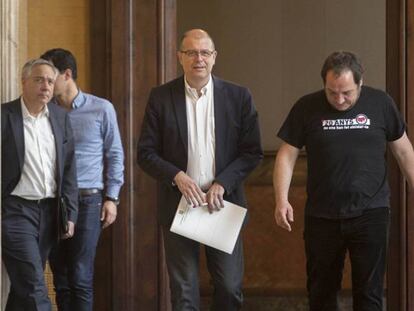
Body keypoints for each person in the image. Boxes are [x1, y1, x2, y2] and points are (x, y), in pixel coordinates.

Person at [273, 51, 414, 310]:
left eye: (347, 92)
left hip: (371, 213)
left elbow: (404, 151)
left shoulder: (380, 103)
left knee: (369, 293)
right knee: (321, 291)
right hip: (322, 215)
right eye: (332, 92)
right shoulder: (307, 106)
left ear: (360, 83)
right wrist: (281, 200)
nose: (339, 99)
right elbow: (286, 155)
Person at [137, 29, 263, 310]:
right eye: (191, 52)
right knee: (184, 293)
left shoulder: (238, 96)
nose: (199, 59)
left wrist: (223, 183)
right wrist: (177, 176)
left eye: (205, 52)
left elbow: (252, 152)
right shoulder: (160, 97)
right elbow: (145, 153)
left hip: (223, 204)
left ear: (214, 57)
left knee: (230, 288)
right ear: (180, 57)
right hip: (180, 204)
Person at [40, 48, 125, 311]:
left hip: (89, 200)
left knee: (80, 274)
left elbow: (115, 154)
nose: (47, 83)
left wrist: (112, 198)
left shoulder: (101, 108)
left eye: (51, 76)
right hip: (53, 201)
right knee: (61, 278)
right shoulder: (44, 112)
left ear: (67, 74)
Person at [1, 58, 78, 311]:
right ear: (23, 82)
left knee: (23, 287)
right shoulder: (4, 116)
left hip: (49, 212)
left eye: (49, 80)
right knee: (34, 285)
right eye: (38, 79)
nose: (45, 85)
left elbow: (68, 170)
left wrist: (70, 214)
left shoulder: (60, 118)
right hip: (15, 211)